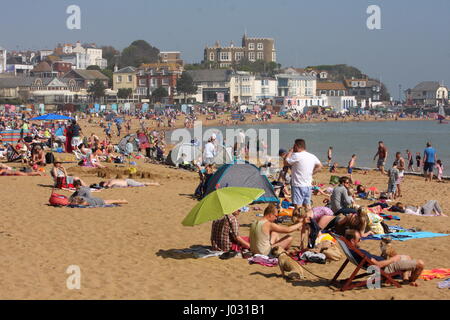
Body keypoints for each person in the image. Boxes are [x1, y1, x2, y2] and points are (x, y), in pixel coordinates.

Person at [345, 230, 425, 286]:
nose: (360, 241)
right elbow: (378, 265)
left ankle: (406, 279)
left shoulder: (352, 250)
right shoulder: (359, 252)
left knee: (407, 257)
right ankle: (411, 281)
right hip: (387, 267)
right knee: (420, 264)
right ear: (352, 241)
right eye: (359, 239)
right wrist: (393, 259)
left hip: (386, 264)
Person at [284, 139, 322, 216]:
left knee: (298, 206)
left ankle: (298, 222)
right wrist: (311, 173)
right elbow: (320, 166)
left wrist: (290, 152)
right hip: (308, 184)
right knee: (307, 205)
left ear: (296, 146)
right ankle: (310, 221)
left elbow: (286, 162)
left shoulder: (296, 155)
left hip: (298, 185)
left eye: (294, 146)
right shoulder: (311, 156)